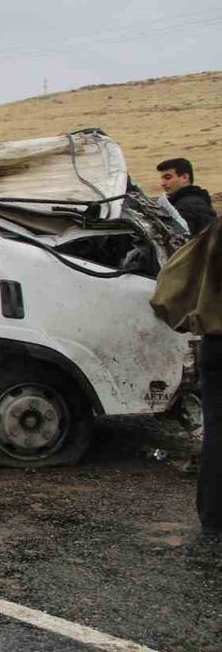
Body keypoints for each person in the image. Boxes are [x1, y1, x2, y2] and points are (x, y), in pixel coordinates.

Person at [150, 218, 222, 540]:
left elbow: (171, 278)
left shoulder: (216, 229)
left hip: (216, 344)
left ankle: (214, 522)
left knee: (217, 434)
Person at [157, 158, 217, 236]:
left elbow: (181, 240)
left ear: (185, 177)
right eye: (162, 179)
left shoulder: (187, 205)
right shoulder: (195, 200)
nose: (163, 183)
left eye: (168, 178)